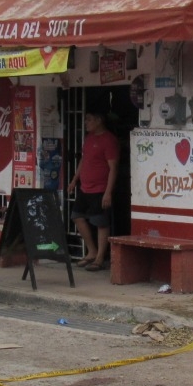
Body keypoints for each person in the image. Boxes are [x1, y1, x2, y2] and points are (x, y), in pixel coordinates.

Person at [67, 109, 120, 270]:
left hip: (100, 189)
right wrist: (74, 180)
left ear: (98, 120)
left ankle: (99, 258)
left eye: (89, 119)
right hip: (85, 188)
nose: (86, 123)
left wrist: (108, 192)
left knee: (100, 223)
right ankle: (91, 251)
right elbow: (84, 159)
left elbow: (114, 167)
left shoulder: (109, 140)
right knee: (76, 216)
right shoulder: (89, 138)